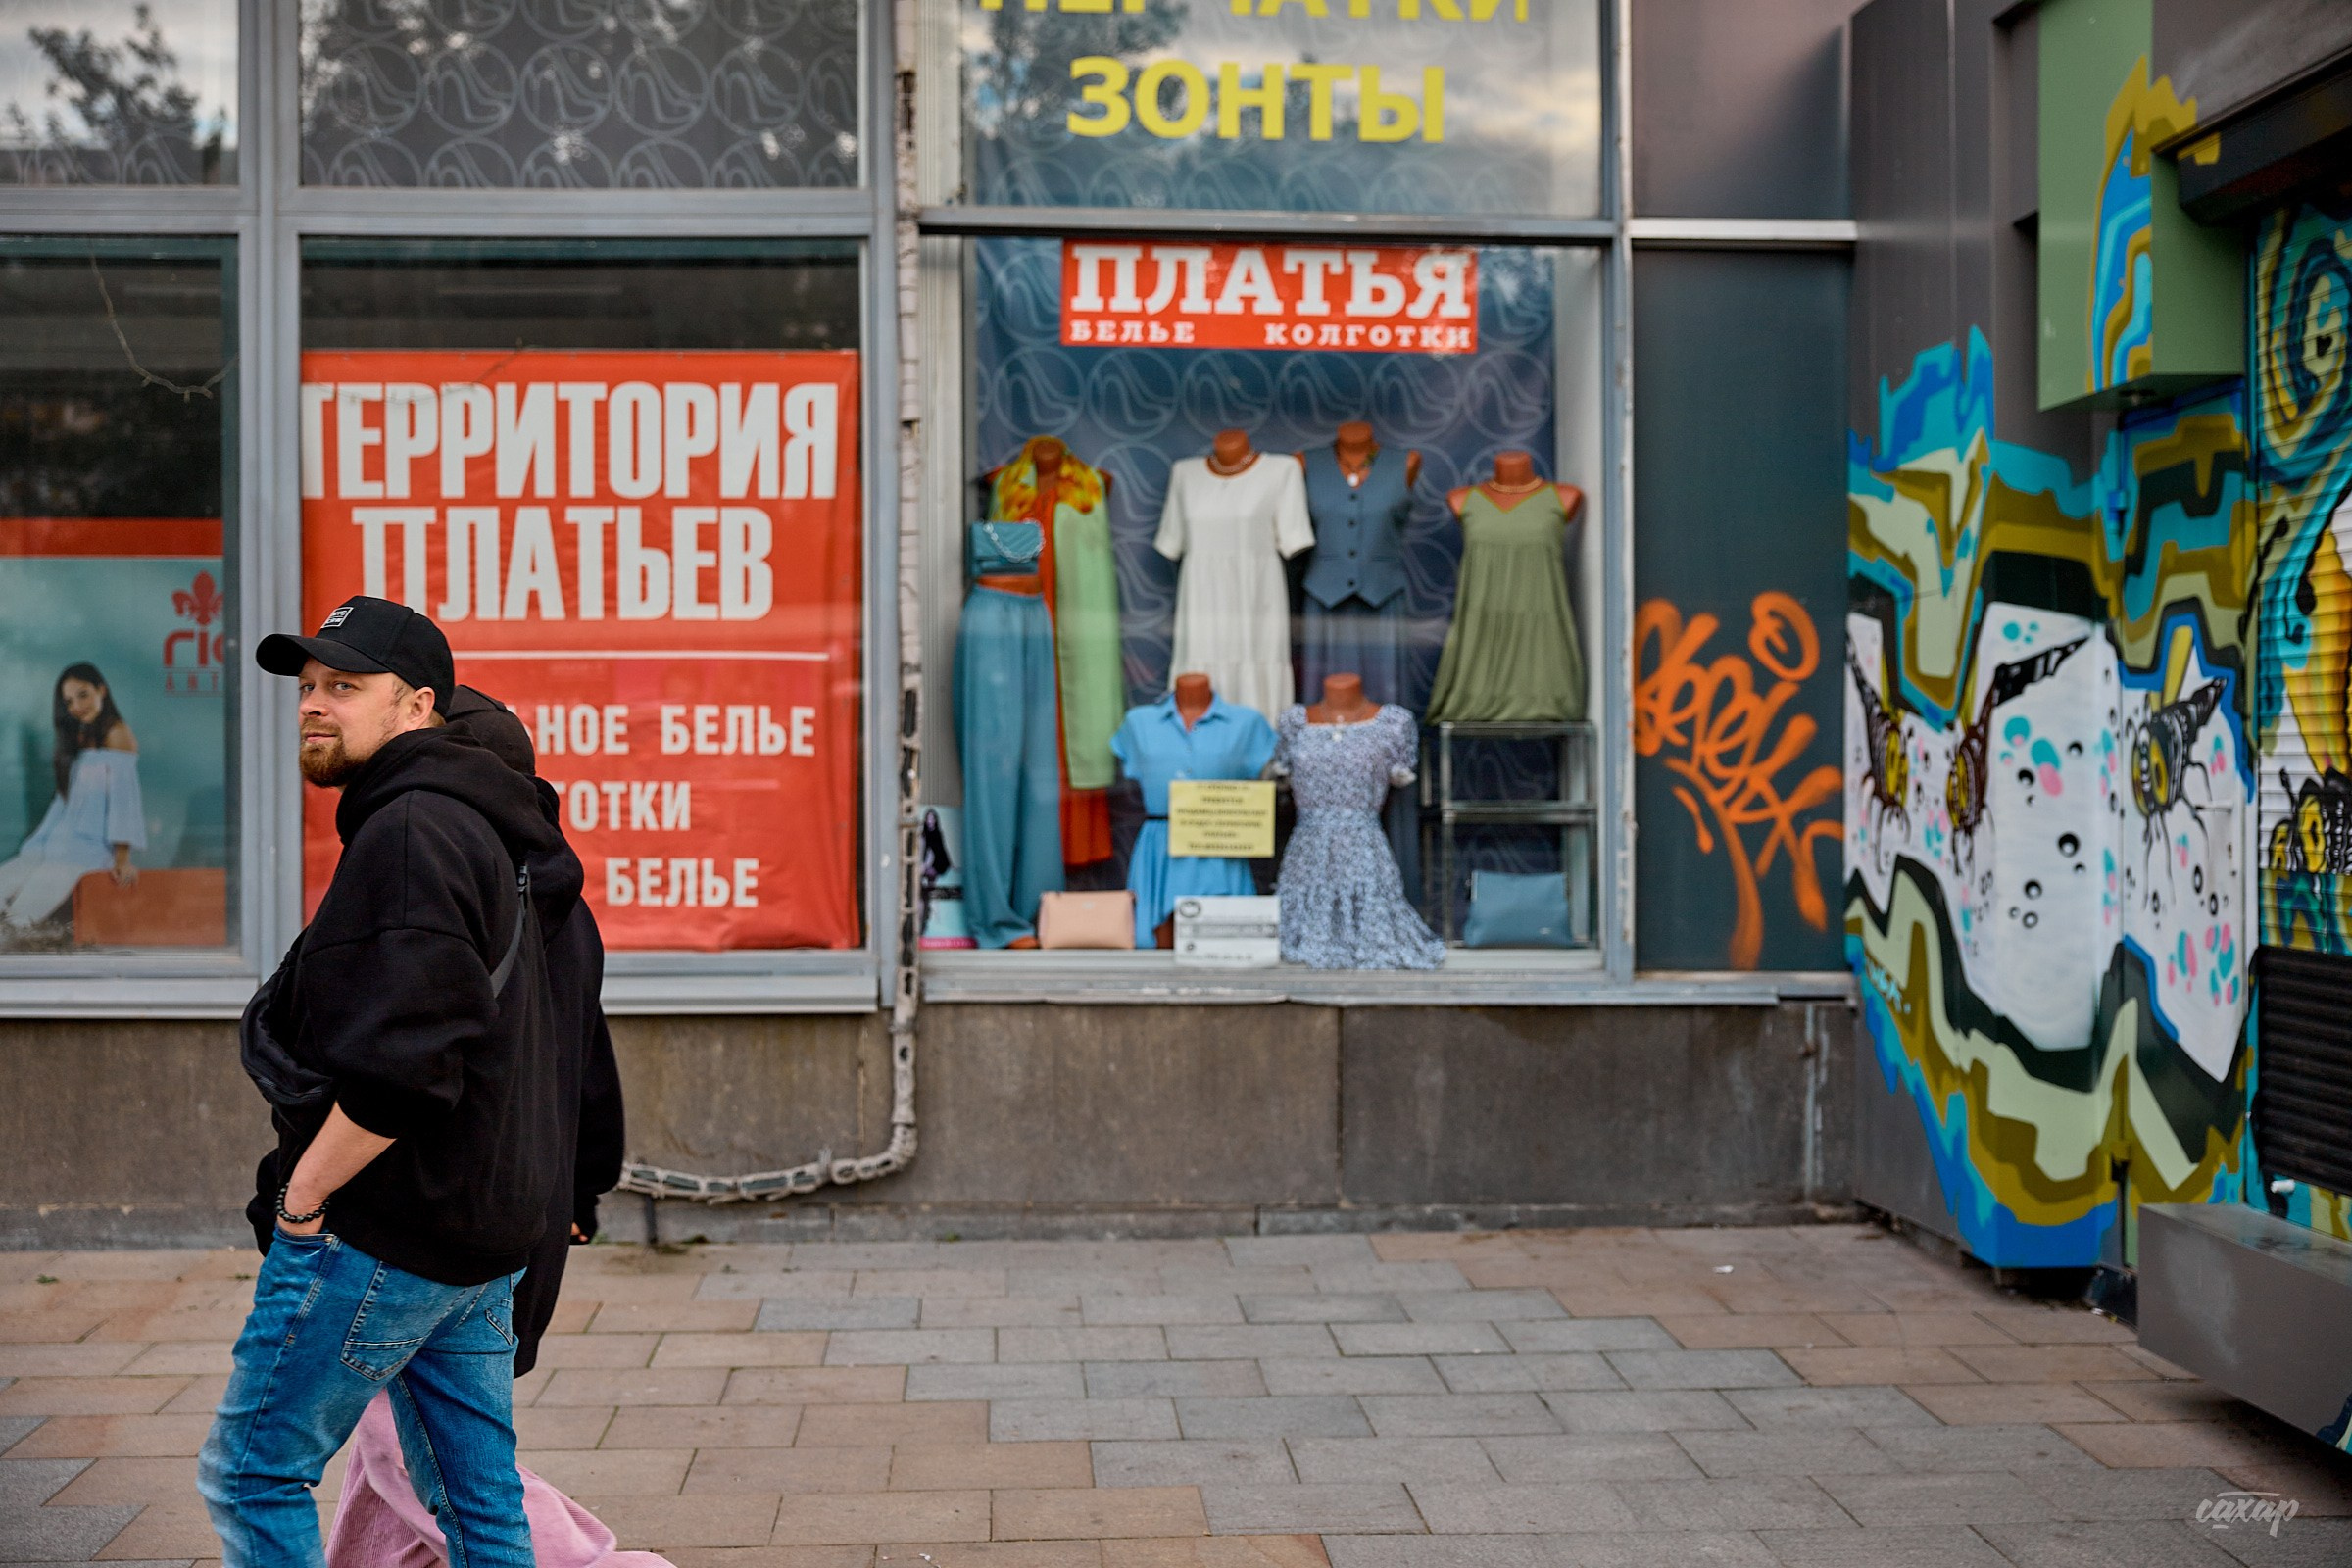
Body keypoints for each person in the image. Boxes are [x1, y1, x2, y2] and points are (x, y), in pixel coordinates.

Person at [203, 596, 563, 1568]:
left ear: (416, 706)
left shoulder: (410, 832)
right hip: (479, 1233)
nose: (314, 704)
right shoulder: (480, 823)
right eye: (309, 685)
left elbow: (411, 1064)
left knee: (253, 1470)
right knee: (480, 1510)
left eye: (345, 687)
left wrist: (306, 1196)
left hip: (387, 1231)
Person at [325, 683, 645, 1568]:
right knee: (413, 1429)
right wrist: (584, 1182)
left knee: (421, 1440)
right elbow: (590, 1059)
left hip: (441, 1208)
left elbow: (414, 1060)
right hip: (529, 1201)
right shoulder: (564, 908)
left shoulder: (456, 890)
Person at [0, 662, 143, 935]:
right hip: (53, 844)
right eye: (69, 701)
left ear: (101, 690)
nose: (77, 705)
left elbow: (123, 802)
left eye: (84, 694)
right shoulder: (82, 734)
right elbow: (64, 800)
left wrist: (122, 859)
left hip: (83, 851)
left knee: (20, 915)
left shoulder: (118, 735)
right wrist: (38, 845)